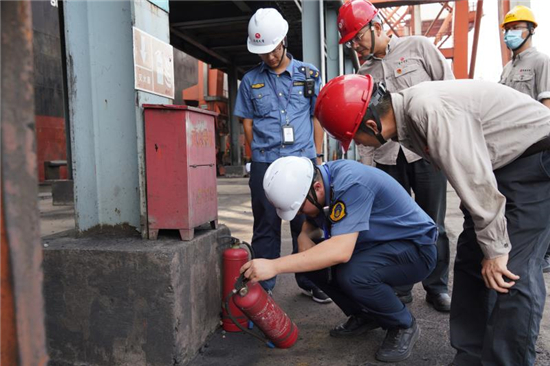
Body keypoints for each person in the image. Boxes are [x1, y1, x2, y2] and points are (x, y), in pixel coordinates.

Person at [314, 74, 550, 366]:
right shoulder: (407, 119)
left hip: (534, 160)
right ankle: (470, 357)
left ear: (372, 126)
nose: (361, 147)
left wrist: (497, 249)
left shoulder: (428, 111)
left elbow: (473, 176)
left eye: (357, 140)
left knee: (511, 271)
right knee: (471, 263)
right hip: (498, 166)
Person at [242, 156, 437, 362]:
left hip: (415, 250)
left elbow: (340, 251)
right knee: (310, 264)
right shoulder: (319, 183)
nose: (299, 213)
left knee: (353, 275)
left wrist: (274, 265)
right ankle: (366, 315)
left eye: (299, 208)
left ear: (317, 188)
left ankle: (403, 324)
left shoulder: (351, 183)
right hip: (377, 245)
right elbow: (312, 220)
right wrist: (303, 235)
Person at [337, 0, 454, 311]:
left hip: (427, 153)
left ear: (376, 27)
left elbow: (449, 90)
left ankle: (436, 287)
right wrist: (366, 167)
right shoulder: (364, 73)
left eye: (357, 38)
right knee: (397, 226)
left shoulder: (419, 48)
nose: (356, 47)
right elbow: (361, 124)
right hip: (388, 159)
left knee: (434, 224)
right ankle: (401, 286)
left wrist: (446, 145)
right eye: (350, 42)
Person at [233, 8, 330, 303]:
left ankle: (310, 280)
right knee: (265, 225)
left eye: (273, 50)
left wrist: (318, 156)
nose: (270, 57)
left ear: (284, 41)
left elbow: (317, 117)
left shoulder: (308, 74)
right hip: (265, 161)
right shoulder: (250, 81)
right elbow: (247, 123)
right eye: (263, 53)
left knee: (306, 224)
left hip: (303, 161)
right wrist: (260, 154)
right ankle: (264, 285)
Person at [499, 5, 550, 273]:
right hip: (511, 147)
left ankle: (544, 254)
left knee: (538, 203)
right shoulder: (508, 67)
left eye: (516, 28)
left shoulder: (541, 61)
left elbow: (547, 103)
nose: (511, 34)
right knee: (516, 205)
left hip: (535, 145)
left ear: (530, 30)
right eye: (508, 29)